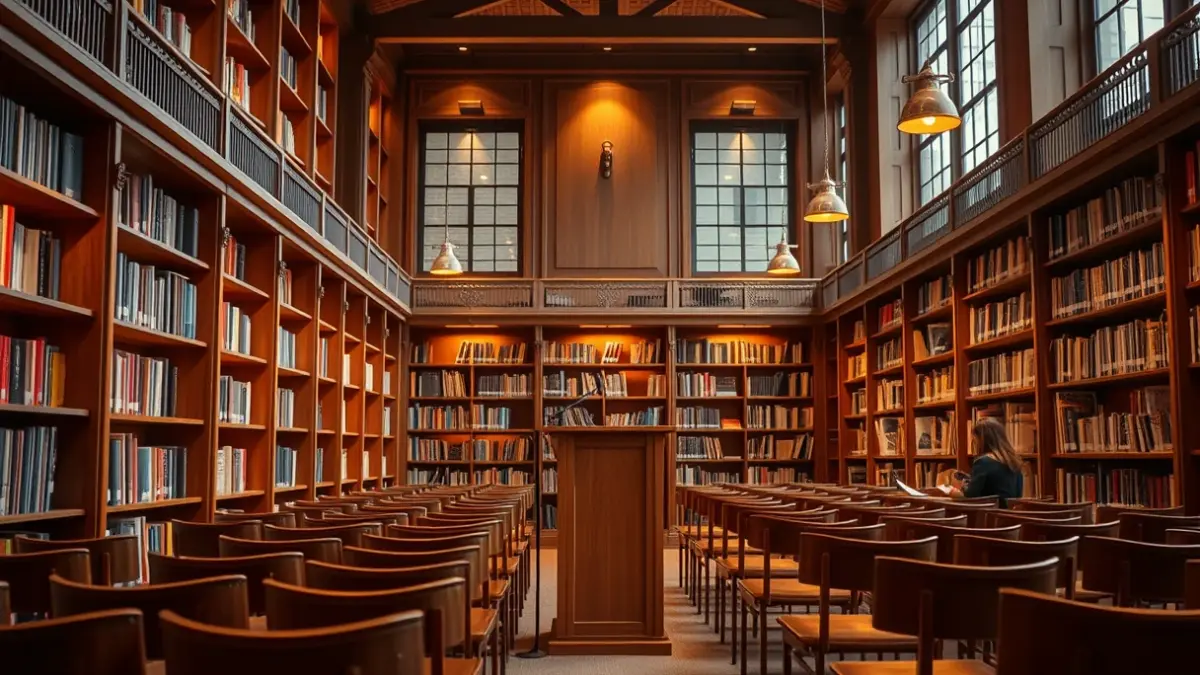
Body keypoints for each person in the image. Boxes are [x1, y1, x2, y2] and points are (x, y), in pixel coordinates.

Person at [947, 418, 1024, 507]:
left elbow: (970, 497)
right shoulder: (1014, 462)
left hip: (989, 517)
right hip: (1010, 517)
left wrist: (950, 490)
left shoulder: (983, 462)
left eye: (974, 440)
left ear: (981, 440)